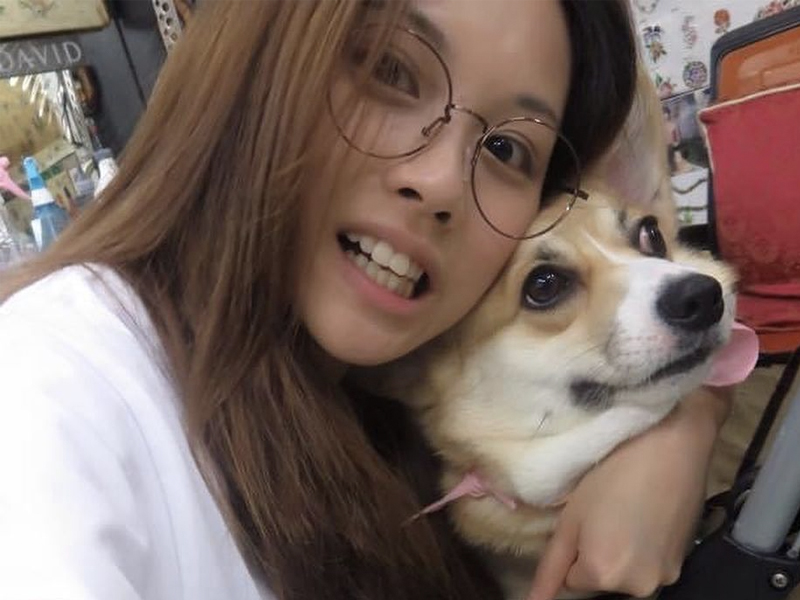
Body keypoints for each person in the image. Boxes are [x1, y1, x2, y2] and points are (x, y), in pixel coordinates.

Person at [0, 1, 732, 599]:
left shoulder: (372, 381)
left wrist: (676, 422)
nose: (442, 182)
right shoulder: (53, 387)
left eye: (507, 149)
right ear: (256, 55)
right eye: (391, 71)